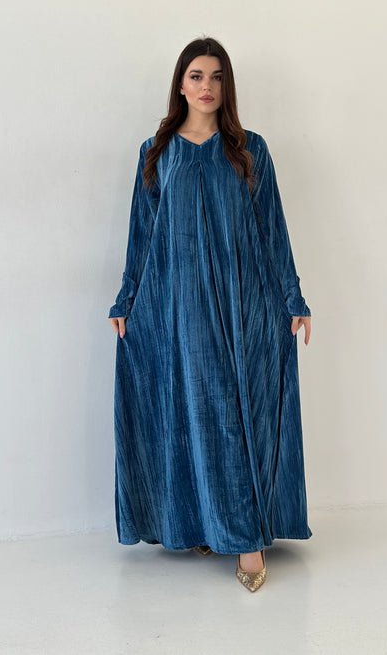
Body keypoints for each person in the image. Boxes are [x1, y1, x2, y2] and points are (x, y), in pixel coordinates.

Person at [108, 36, 312, 592]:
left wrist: (292, 296)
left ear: (228, 86)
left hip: (241, 301)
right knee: (194, 412)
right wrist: (127, 300)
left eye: (217, 77)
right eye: (197, 76)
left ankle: (245, 538)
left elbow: (272, 227)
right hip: (177, 305)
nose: (207, 86)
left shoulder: (249, 149)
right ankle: (206, 523)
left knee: (234, 412)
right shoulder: (156, 152)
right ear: (180, 84)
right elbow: (142, 234)